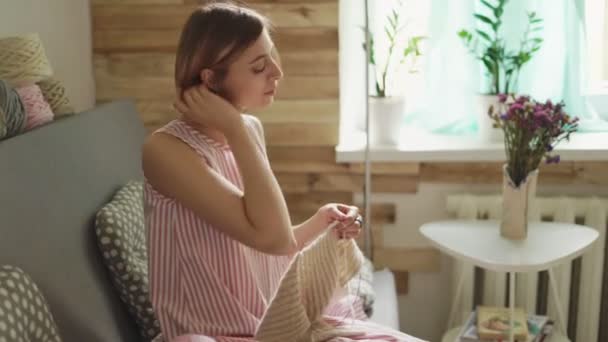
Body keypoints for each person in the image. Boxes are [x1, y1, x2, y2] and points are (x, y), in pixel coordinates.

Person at [142, 2, 424, 341]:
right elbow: (272, 238)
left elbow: (272, 243)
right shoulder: (165, 151)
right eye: (260, 66)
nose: (277, 72)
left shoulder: (248, 130)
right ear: (211, 79)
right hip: (207, 334)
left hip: (264, 325)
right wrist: (235, 128)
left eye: (272, 58)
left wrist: (321, 222)